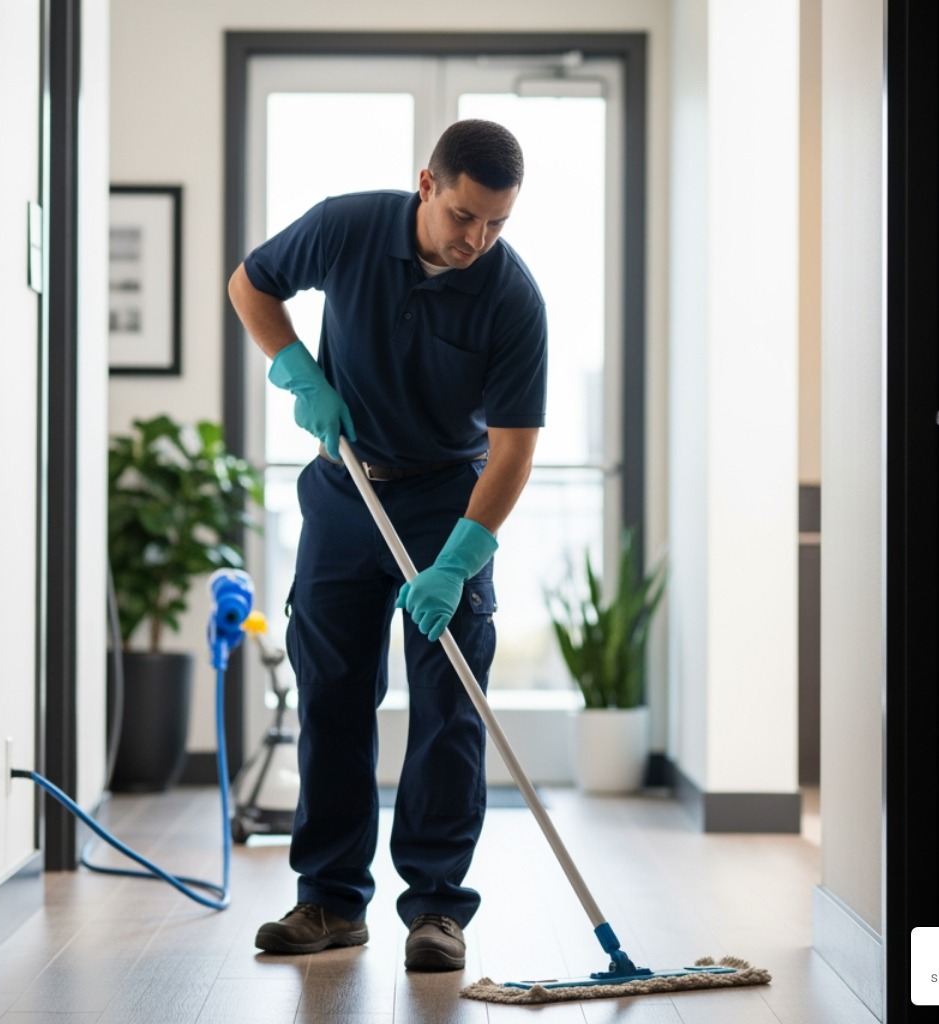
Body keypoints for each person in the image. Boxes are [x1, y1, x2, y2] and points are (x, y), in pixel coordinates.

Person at [226, 119, 547, 973]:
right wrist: (298, 370)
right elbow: (250, 284)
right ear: (427, 184)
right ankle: (330, 901)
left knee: (449, 707)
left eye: (498, 224)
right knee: (332, 693)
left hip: (448, 500)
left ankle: (436, 908)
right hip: (345, 490)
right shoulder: (348, 226)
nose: (477, 240)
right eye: (464, 216)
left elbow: (512, 452)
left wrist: (459, 561)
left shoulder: (512, 297)